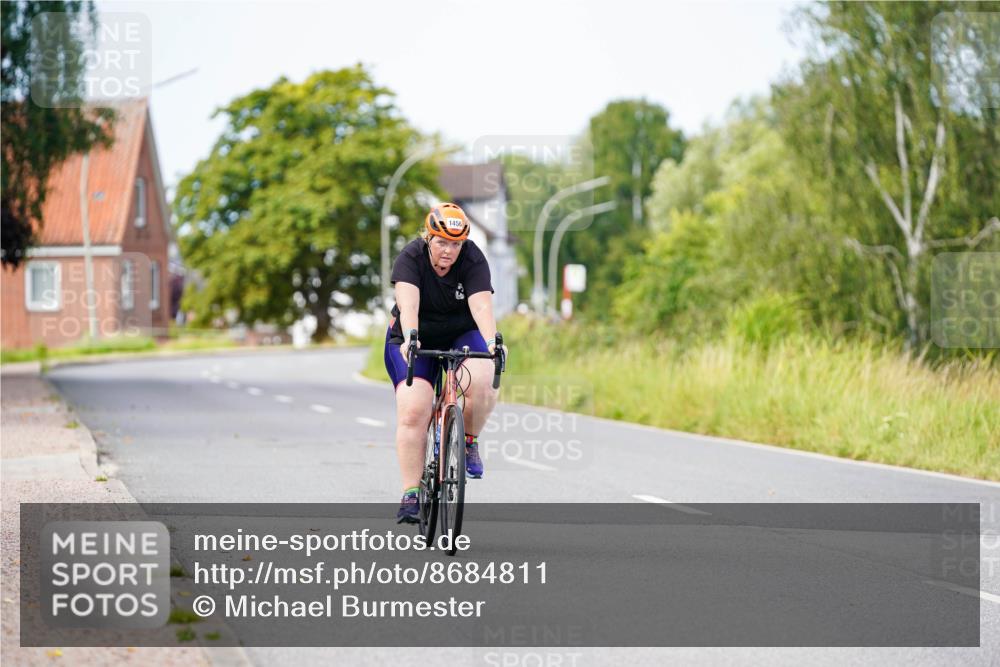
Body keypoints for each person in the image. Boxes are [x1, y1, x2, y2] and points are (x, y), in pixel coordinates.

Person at [384, 203, 503, 523]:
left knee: (483, 380)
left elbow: (481, 308)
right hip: (414, 337)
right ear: (428, 238)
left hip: (460, 333)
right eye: (441, 242)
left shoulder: (473, 258)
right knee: (414, 408)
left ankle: (467, 440)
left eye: (455, 244)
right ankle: (411, 493)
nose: (448, 250)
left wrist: (492, 343)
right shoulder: (411, 257)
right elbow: (408, 304)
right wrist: (411, 336)